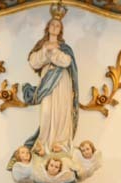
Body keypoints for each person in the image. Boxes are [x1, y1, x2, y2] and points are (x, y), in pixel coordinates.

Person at [23, 12, 78, 155]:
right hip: (47, 83)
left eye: (58, 25)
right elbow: (34, 62)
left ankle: (60, 143)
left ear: (61, 30)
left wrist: (53, 52)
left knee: (61, 111)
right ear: (47, 27)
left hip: (62, 82)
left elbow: (66, 62)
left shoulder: (65, 48)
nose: (54, 27)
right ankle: (42, 143)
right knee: (46, 112)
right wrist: (45, 51)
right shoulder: (41, 45)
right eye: (52, 24)